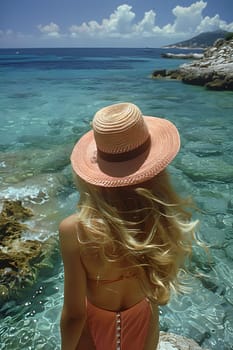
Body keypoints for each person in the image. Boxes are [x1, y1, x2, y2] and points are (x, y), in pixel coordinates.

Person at [59, 102, 198, 350]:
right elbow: (154, 297)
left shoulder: (75, 230)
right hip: (143, 321)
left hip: (92, 328)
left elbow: (74, 314)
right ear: (156, 167)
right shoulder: (161, 219)